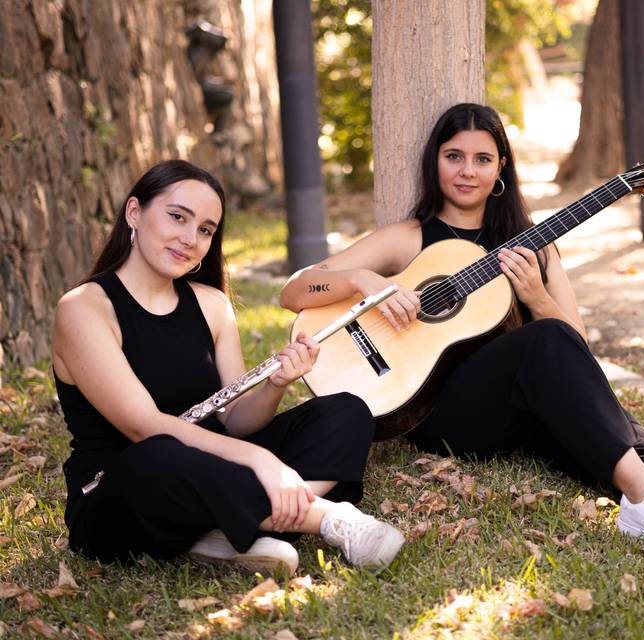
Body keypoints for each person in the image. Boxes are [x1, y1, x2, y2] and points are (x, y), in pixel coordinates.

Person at [279, 104, 644, 561]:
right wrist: (361, 278)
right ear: (436, 164)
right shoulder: (410, 239)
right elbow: (297, 291)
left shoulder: (535, 242)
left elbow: (573, 346)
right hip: (435, 413)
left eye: (482, 158)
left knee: (611, 435)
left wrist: (535, 295)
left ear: (501, 167)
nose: (467, 171)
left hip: (519, 410)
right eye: (454, 156)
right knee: (550, 355)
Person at [52, 160, 404, 573]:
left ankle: (226, 530)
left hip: (216, 465)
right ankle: (330, 519)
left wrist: (275, 384)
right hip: (120, 488)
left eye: (205, 229)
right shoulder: (83, 308)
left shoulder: (212, 304)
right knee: (157, 454)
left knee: (345, 412)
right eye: (177, 217)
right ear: (134, 212)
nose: (190, 238)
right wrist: (261, 462)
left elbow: (235, 421)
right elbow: (142, 425)